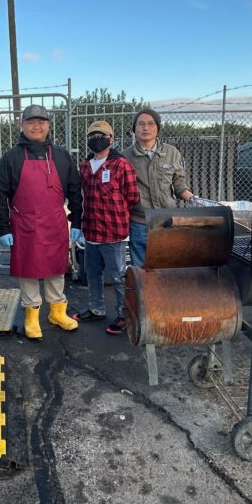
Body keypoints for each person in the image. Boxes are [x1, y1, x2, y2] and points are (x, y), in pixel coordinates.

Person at [0, 104, 83, 340]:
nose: (37, 126)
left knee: (56, 268)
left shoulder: (62, 156)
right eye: (31, 122)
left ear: (48, 126)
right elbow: (0, 194)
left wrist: (77, 220)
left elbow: (74, 189)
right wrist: (3, 227)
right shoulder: (11, 158)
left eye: (41, 121)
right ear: (22, 125)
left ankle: (57, 312)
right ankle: (31, 317)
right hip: (25, 224)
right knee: (29, 271)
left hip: (55, 222)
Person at [73, 120, 139, 335]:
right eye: (92, 135)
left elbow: (132, 197)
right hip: (91, 233)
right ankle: (96, 309)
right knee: (92, 274)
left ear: (111, 139)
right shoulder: (84, 165)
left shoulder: (121, 165)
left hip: (113, 233)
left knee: (119, 276)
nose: (96, 139)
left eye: (101, 135)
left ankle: (123, 315)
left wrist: (115, 213)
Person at [125, 107, 193, 267]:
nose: (146, 128)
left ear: (158, 128)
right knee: (141, 270)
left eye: (150, 124)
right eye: (140, 124)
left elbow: (178, 182)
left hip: (167, 220)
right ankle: (143, 293)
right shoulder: (125, 156)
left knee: (168, 266)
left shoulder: (171, 153)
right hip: (139, 222)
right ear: (134, 129)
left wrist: (192, 198)